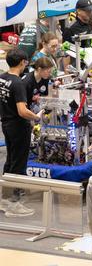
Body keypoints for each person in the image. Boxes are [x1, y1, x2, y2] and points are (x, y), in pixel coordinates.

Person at [0, 49, 40, 217]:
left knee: (10, 160)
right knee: (19, 163)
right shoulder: (18, 83)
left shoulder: (2, 78)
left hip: (6, 124)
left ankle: (5, 197)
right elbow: (23, 111)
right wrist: (36, 117)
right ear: (23, 62)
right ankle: (15, 203)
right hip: (18, 126)